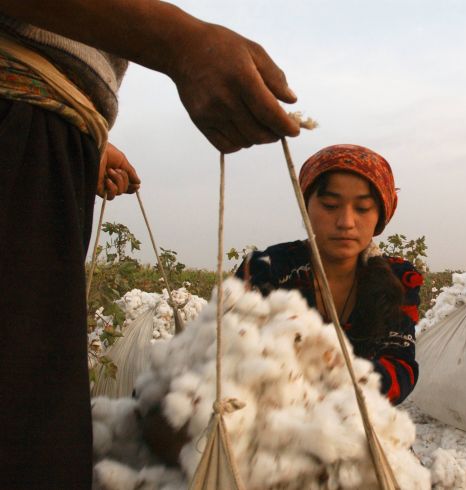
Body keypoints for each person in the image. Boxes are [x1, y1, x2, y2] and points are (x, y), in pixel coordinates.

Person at [0, 1, 299, 487]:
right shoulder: (280, 267)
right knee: (24, 430)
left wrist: (87, 133)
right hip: (16, 118)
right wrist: (179, 42)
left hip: (44, 125)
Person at [235, 144, 421, 406]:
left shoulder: (399, 278)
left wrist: (342, 377)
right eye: (330, 205)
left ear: (380, 215)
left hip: (358, 418)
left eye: (363, 208)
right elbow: (231, 353)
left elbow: (401, 368)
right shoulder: (266, 269)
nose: (345, 221)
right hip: (270, 418)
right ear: (306, 207)